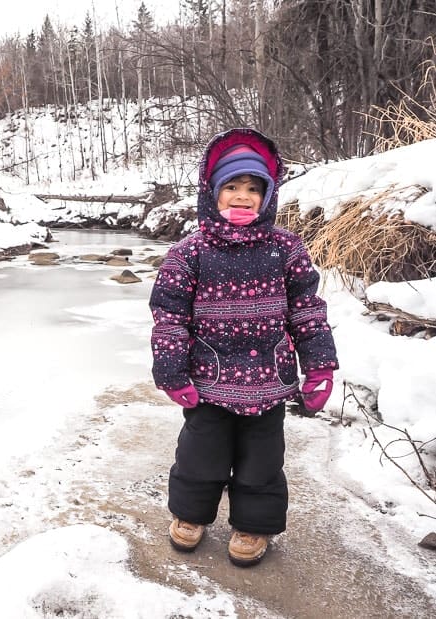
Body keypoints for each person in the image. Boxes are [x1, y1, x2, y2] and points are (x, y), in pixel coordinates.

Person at [149, 127, 338, 567]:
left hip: (269, 382)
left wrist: (319, 368)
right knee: (200, 456)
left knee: (262, 461)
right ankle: (191, 516)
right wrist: (172, 375)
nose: (241, 196)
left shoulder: (286, 249)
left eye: (254, 188)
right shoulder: (188, 253)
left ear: (268, 195)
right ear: (212, 192)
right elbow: (170, 318)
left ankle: (253, 526)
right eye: (231, 186)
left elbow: (307, 309)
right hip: (207, 381)